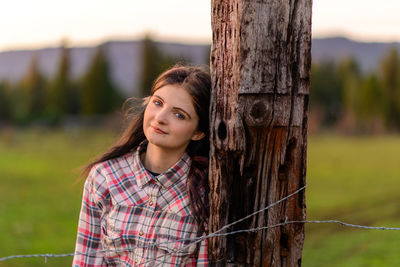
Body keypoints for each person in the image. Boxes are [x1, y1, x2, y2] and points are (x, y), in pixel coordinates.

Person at [73, 65, 211, 266]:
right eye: (158, 103)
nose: (160, 118)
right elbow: (86, 260)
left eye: (179, 115)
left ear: (198, 132)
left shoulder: (205, 191)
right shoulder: (105, 177)